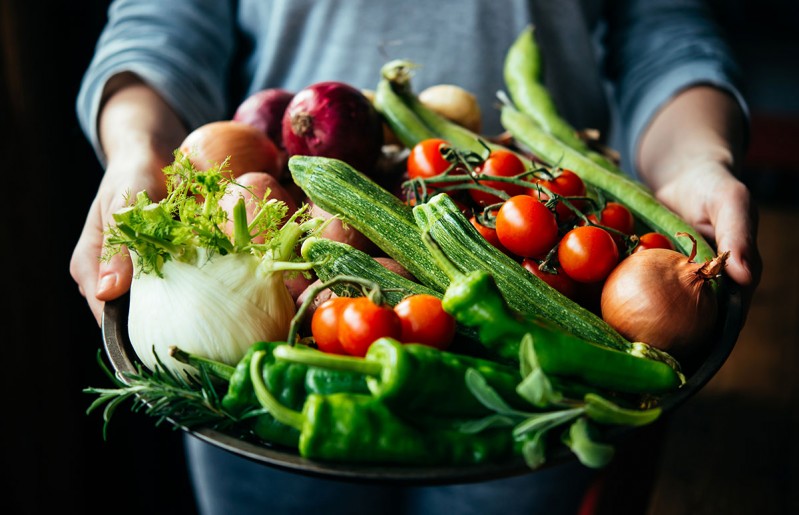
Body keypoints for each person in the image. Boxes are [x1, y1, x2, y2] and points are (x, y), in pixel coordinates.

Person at [70, 1, 762, 514]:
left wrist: (697, 158)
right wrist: (137, 153)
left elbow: (662, 29)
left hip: (537, 346)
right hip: (271, 323)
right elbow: (162, 24)